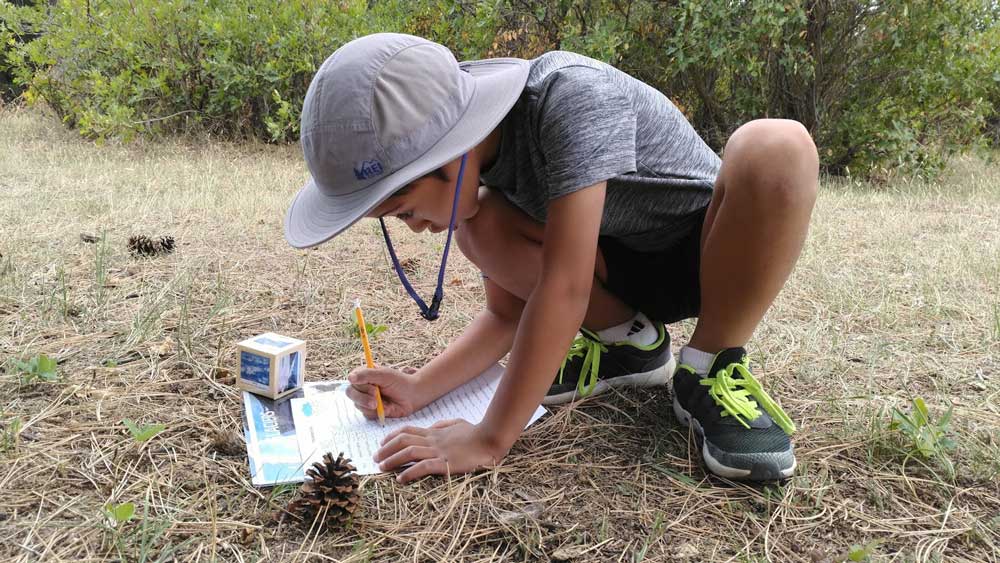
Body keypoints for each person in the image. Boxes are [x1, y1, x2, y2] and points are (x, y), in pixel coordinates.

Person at [284, 33, 818, 483]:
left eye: (402, 209)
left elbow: (564, 288)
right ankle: (631, 347)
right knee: (482, 224)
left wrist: (490, 438)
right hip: (618, 265)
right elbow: (508, 313)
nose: (416, 228)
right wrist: (421, 386)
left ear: (446, 151)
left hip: (709, 259)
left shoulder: (569, 97)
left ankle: (709, 365)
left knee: (776, 144)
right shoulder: (486, 167)